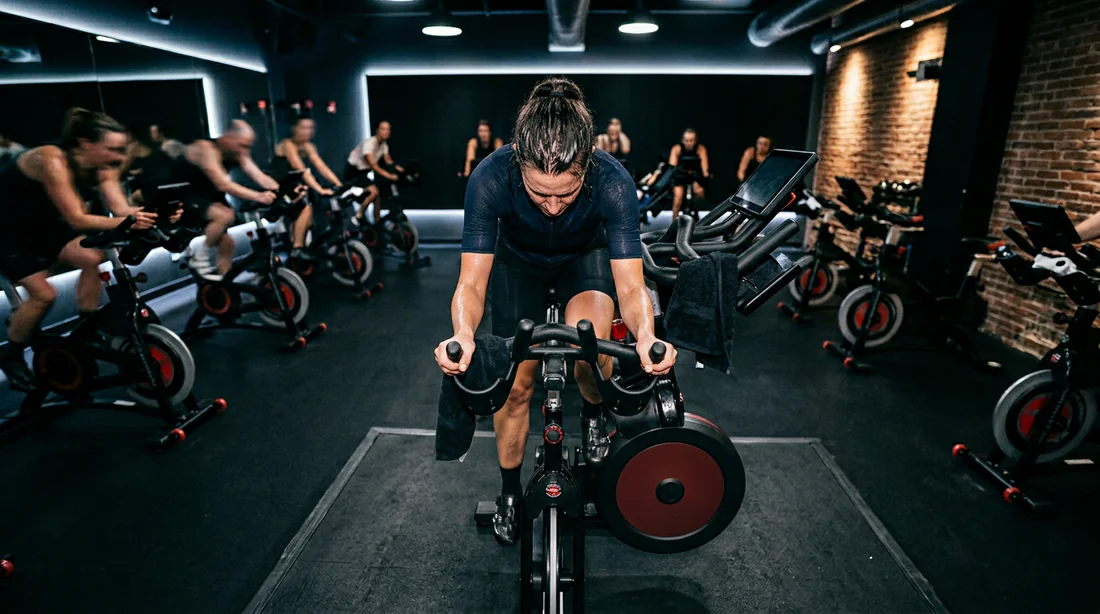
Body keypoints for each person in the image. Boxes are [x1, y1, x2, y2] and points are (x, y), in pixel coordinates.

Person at [432, 77, 678, 547]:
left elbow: (631, 285)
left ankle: (593, 413)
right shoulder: (490, 176)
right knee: (516, 385)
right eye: (538, 192)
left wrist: (646, 336)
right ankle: (509, 491)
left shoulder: (613, 181)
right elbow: (471, 283)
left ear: (586, 165)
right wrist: (462, 333)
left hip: (585, 258)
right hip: (518, 264)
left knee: (591, 347)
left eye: (565, 194)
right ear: (519, 165)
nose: (551, 206)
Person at [0, 109, 160, 391]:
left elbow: (121, 210)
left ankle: (88, 326)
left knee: (91, 257)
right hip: (6, 230)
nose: (119, 157)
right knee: (43, 295)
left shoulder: (103, 166)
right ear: (86, 143)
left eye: (121, 150)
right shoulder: (51, 158)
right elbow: (77, 219)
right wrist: (131, 221)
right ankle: (11, 357)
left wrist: (154, 216)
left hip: (45, 225)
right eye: (112, 149)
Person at [178, 119, 282, 280]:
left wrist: (280, 191)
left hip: (208, 197)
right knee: (225, 215)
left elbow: (258, 175)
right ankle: (198, 259)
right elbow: (223, 184)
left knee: (228, 244)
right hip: (185, 196)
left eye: (247, 146)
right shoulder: (206, 149)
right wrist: (259, 196)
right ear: (228, 138)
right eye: (242, 145)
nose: (245, 151)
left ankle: (223, 285)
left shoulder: (237, 152)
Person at [272, 117, 343, 255]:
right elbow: (301, 169)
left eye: (310, 128)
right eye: (303, 128)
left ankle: (298, 247)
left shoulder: (308, 146)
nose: (307, 131)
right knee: (305, 209)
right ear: (294, 129)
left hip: (293, 186)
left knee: (308, 219)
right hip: (277, 185)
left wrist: (338, 184)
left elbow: (321, 166)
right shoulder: (287, 145)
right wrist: (320, 189)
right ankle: (297, 250)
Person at [346, 121, 403, 224]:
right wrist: (390, 176)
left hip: (363, 172)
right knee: (374, 191)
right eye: (383, 129)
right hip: (353, 172)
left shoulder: (384, 145)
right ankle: (358, 216)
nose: (386, 132)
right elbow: (373, 165)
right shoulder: (369, 143)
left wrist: (400, 170)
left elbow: (388, 161)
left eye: (388, 129)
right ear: (377, 130)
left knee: (377, 196)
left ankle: (377, 222)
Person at [664, 128, 709, 219]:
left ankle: (695, 212)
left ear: (695, 141)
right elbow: (672, 167)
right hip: (680, 176)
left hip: (695, 176)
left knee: (699, 192)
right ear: (682, 140)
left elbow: (705, 169)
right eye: (686, 140)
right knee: (678, 197)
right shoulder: (677, 149)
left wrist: (703, 177)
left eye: (691, 141)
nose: (689, 143)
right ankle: (674, 220)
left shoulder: (701, 149)